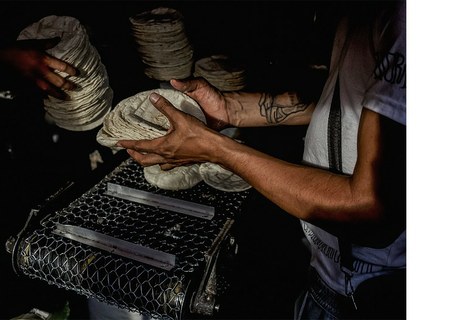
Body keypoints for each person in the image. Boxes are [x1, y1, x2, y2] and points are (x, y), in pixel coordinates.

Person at [117, 1, 406, 319]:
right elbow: (344, 105)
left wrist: (217, 150)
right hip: (329, 271)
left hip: (370, 294)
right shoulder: (370, 11)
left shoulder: (407, 21)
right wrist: (231, 109)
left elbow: (369, 209)